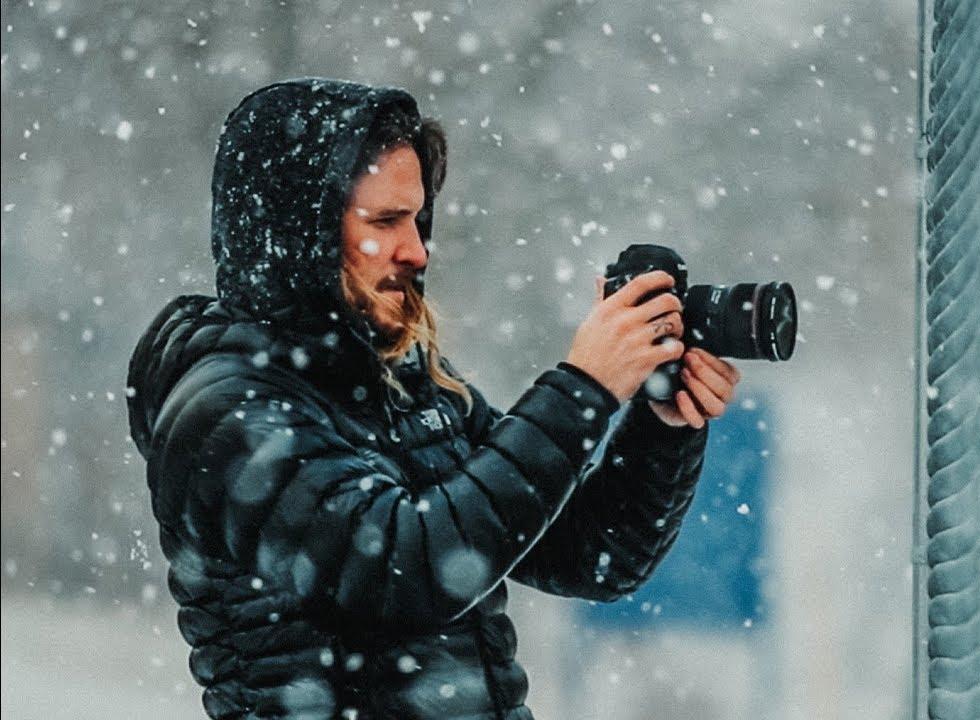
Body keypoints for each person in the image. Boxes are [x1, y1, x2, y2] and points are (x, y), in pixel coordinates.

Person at [125, 78, 741, 720]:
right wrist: (583, 387)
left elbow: (592, 557)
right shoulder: (222, 406)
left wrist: (659, 424)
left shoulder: (402, 379)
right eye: (386, 221)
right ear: (298, 230)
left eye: (418, 220)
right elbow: (406, 569)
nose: (417, 250)